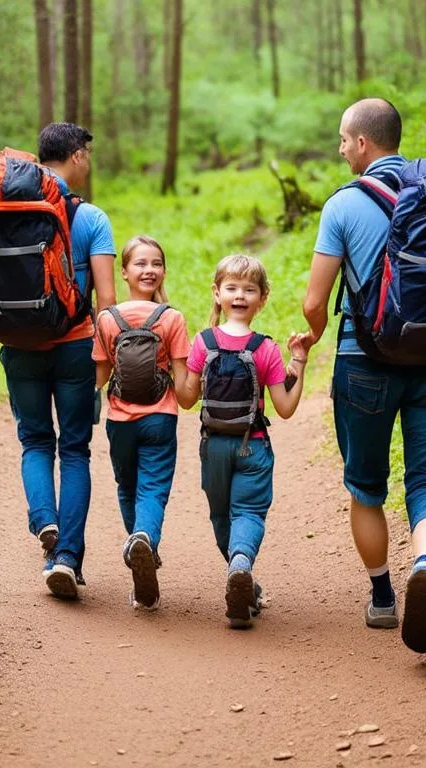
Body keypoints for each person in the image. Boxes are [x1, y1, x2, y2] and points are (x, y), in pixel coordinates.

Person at [298, 98, 426, 654]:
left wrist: (315, 333)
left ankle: (384, 598)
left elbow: (314, 301)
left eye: (344, 140)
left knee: (366, 488)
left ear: (363, 143)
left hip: (363, 364)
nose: (342, 149)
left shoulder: (343, 205)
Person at [0, 123, 115, 600]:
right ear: (78, 156)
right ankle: (67, 559)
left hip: (16, 343)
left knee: (35, 442)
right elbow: (106, 299)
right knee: (76, 450)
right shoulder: (91, 218)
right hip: (75, 343)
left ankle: (45, 524)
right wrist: (109, 356)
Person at [177, 254, 307, 628]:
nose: (240, 294)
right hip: (255, 446)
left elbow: (187, 400)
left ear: (260, 298)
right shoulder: (265, 348)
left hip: (214, 446)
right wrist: (299, 361)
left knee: (222, 517)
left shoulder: (202, 343)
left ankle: (239, 569)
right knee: (247, 514)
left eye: (247, 289)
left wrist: (175, 362)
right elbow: (284, 406)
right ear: (218, 293)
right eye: (234, 288)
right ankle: (241, 567)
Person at [92, 235, 190, 611]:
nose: (150, 270)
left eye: (155, 263)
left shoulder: (107, 319)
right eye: (142, 263)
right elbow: (182, 388)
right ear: (126, 271)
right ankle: (144, 539)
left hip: (120, 420)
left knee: (126, 485)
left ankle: (139, 543)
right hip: (160, 418)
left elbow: (100, 377)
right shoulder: (172, 319)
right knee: (153, 487)